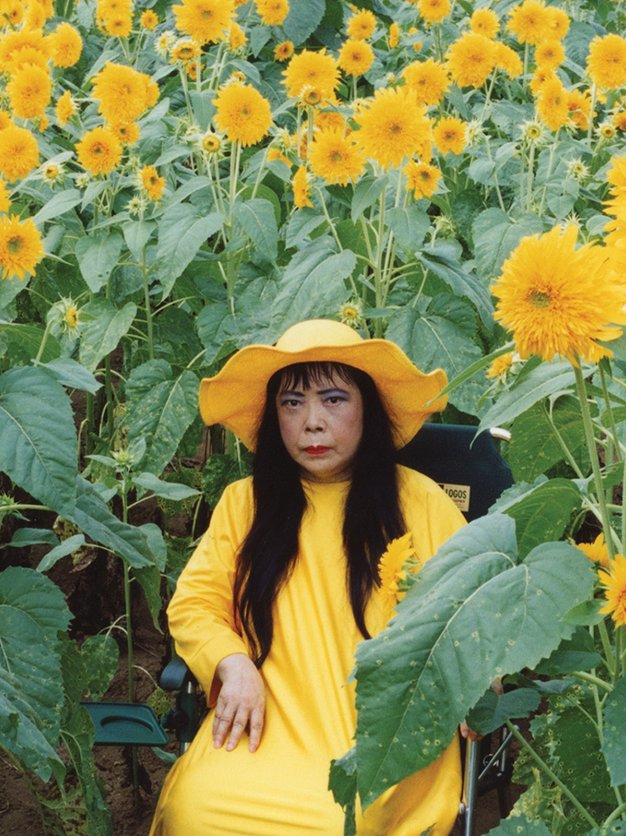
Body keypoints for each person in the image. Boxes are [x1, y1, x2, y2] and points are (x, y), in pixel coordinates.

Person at [149, 319, 467, 835]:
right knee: (193, 808)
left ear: (368, 407)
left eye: (334, 400)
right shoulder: (244, 504)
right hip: (264, 722)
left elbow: (474, 610)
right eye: (292, 403)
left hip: (381, 739)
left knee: (335, 822)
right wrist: (232, 664)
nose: (312, 423)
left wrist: (476, 677)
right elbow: (194, 604)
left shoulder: (422, 501)